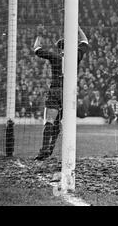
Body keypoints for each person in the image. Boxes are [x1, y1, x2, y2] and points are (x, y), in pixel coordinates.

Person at [33, 25, 89, 160]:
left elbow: (37, 49)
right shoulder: (76, 55)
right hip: (69, 93)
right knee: (59, 122)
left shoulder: (55, 57)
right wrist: (78, 28)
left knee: (49, 121)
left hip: (55, 90)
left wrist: (39, 35)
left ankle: (44, 150)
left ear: (59, 48)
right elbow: (85, 41)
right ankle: (51, 148)